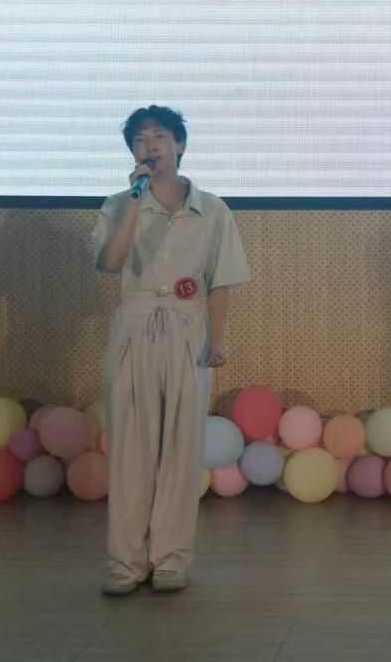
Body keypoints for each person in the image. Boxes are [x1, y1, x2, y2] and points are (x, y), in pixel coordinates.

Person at [90, 106, 251, 595]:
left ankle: (170, 560)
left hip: (187, 328)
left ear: (179, 144)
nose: (150, 146)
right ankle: (126, 562)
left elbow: (220, 282)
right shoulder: (118, 203)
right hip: (134, 327)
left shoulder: (213, 210)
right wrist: (135, 202)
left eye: (159, 137)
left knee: (181, 449)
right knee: (130, 448)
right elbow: (109, 262)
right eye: (141, 140)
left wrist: (217, 341)